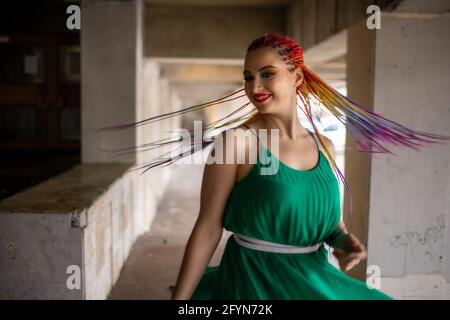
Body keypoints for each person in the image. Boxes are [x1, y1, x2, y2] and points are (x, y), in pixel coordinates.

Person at [100, 33, 449, 300]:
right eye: (248, 77)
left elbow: (329, 222)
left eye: (267, 74)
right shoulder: (236, 143)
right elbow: (208, 228)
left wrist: (343, 240)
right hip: (253, 285)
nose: (255, 86)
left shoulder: (324, 146)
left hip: (311, 278)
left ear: (297, 77)